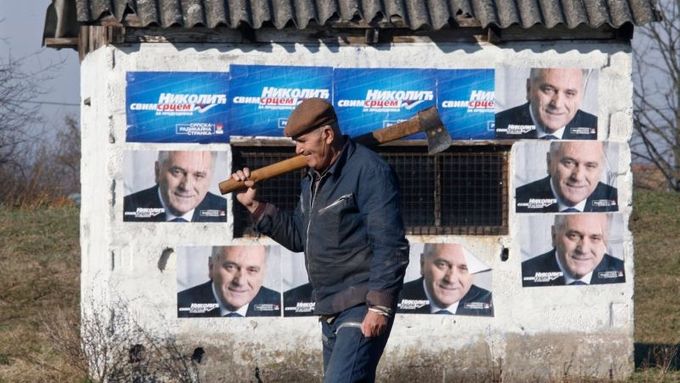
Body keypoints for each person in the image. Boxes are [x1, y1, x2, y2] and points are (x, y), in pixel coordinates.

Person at [231, 98, 409, 382]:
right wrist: (254, 206)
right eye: (295, 142)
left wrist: (379, 306)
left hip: (361, 304)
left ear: (327, 135)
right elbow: (300, 236)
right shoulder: (313, 178)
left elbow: (390, 243)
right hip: (329, 308)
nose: (297, 149)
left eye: (302, 140)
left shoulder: (369, 171)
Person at [522, 214, 625, 287]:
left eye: (595, 238)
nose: (584, 250)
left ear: (606, 240)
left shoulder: (622, 272)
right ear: (554, 236)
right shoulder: (525, 274)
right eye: (574, 236)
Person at [177, 245, 281, 317]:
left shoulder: (280, 304)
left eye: (252, 270)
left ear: (264, 272)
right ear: (211, 266)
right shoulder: (179, 304)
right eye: (230, 267)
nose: (240, 281)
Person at [516, 141, 618, 213]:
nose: (578, 177)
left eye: (590, 166)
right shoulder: (517, 200)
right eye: (569, 163)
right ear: (549, 162)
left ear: (601, 168)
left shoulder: (617, 200)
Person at [123, 150, 226, 222]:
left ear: (210, 178)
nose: (186, 186)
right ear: (157, 171)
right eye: (177, 172)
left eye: (198, 175)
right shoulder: (125, 209)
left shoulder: (226, 212)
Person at [495, 68, 597, 139]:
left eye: (569, 93)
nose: (557, 104)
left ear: (581, 95)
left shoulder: (595, 127)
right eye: (548, 90)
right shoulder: (496, 126)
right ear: (529, 88)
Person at [398, 244, 493, 316]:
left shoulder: (489, 303)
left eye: (464, 268)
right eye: (442, 265)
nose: (451, 279)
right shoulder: (394, 299)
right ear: (423, 264)